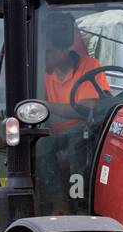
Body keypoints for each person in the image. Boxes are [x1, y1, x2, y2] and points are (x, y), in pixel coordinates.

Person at [37, 11, 107, 213]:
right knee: (40, 144)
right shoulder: (43, 73)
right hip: (57, 134)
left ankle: (81, 204)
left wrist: (46, 107)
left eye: (48, 52)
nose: (44, 56)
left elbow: (85, 109)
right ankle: (58, 203)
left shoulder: (90, 66)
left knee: (78, 140)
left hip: (87, 132)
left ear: (64, 50)